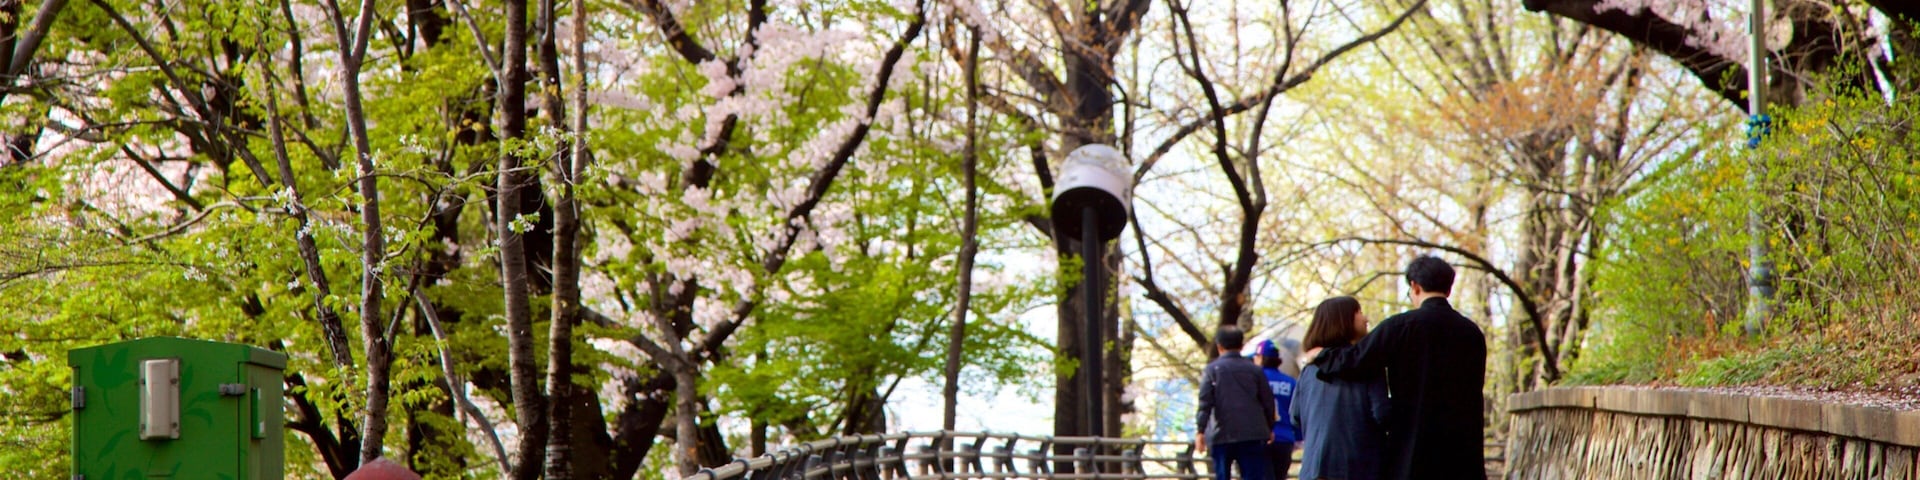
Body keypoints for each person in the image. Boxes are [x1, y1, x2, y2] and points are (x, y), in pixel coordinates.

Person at [1304, 255, 1488, 480]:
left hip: (1414, 447)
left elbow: (1355, 360)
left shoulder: (1400, 327)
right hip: (1462, 449)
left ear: (1415, 286)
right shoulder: (1472, 333)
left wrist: (1322, 355)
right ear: (1448, 290)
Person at [1290, 296, 1390, 480]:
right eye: (1359, 312)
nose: (1366, 318)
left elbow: (1295, 416)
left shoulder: (1309, 369)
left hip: (1313, 468)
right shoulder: (1368, 366)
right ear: (1343, 320)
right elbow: (1383, 413)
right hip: (1359, 467)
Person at [1196, 325, 1276, 480]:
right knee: (1253, 475)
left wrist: (1200, 430)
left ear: (1219, 346)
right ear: (1241, 345)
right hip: (1252, 432)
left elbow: (1205, 402)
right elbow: (1267, 401)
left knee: (1222, 475)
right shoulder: (1255, 370)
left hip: (1221, 433)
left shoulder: (1212, 370)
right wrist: (1269, 426)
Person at [1253, 339, 1299, 480]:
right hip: (1285, 439)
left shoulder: (1254, 380)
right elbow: (1297, 412)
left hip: (1259, 438)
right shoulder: (1291, 382)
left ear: (1260, 357)